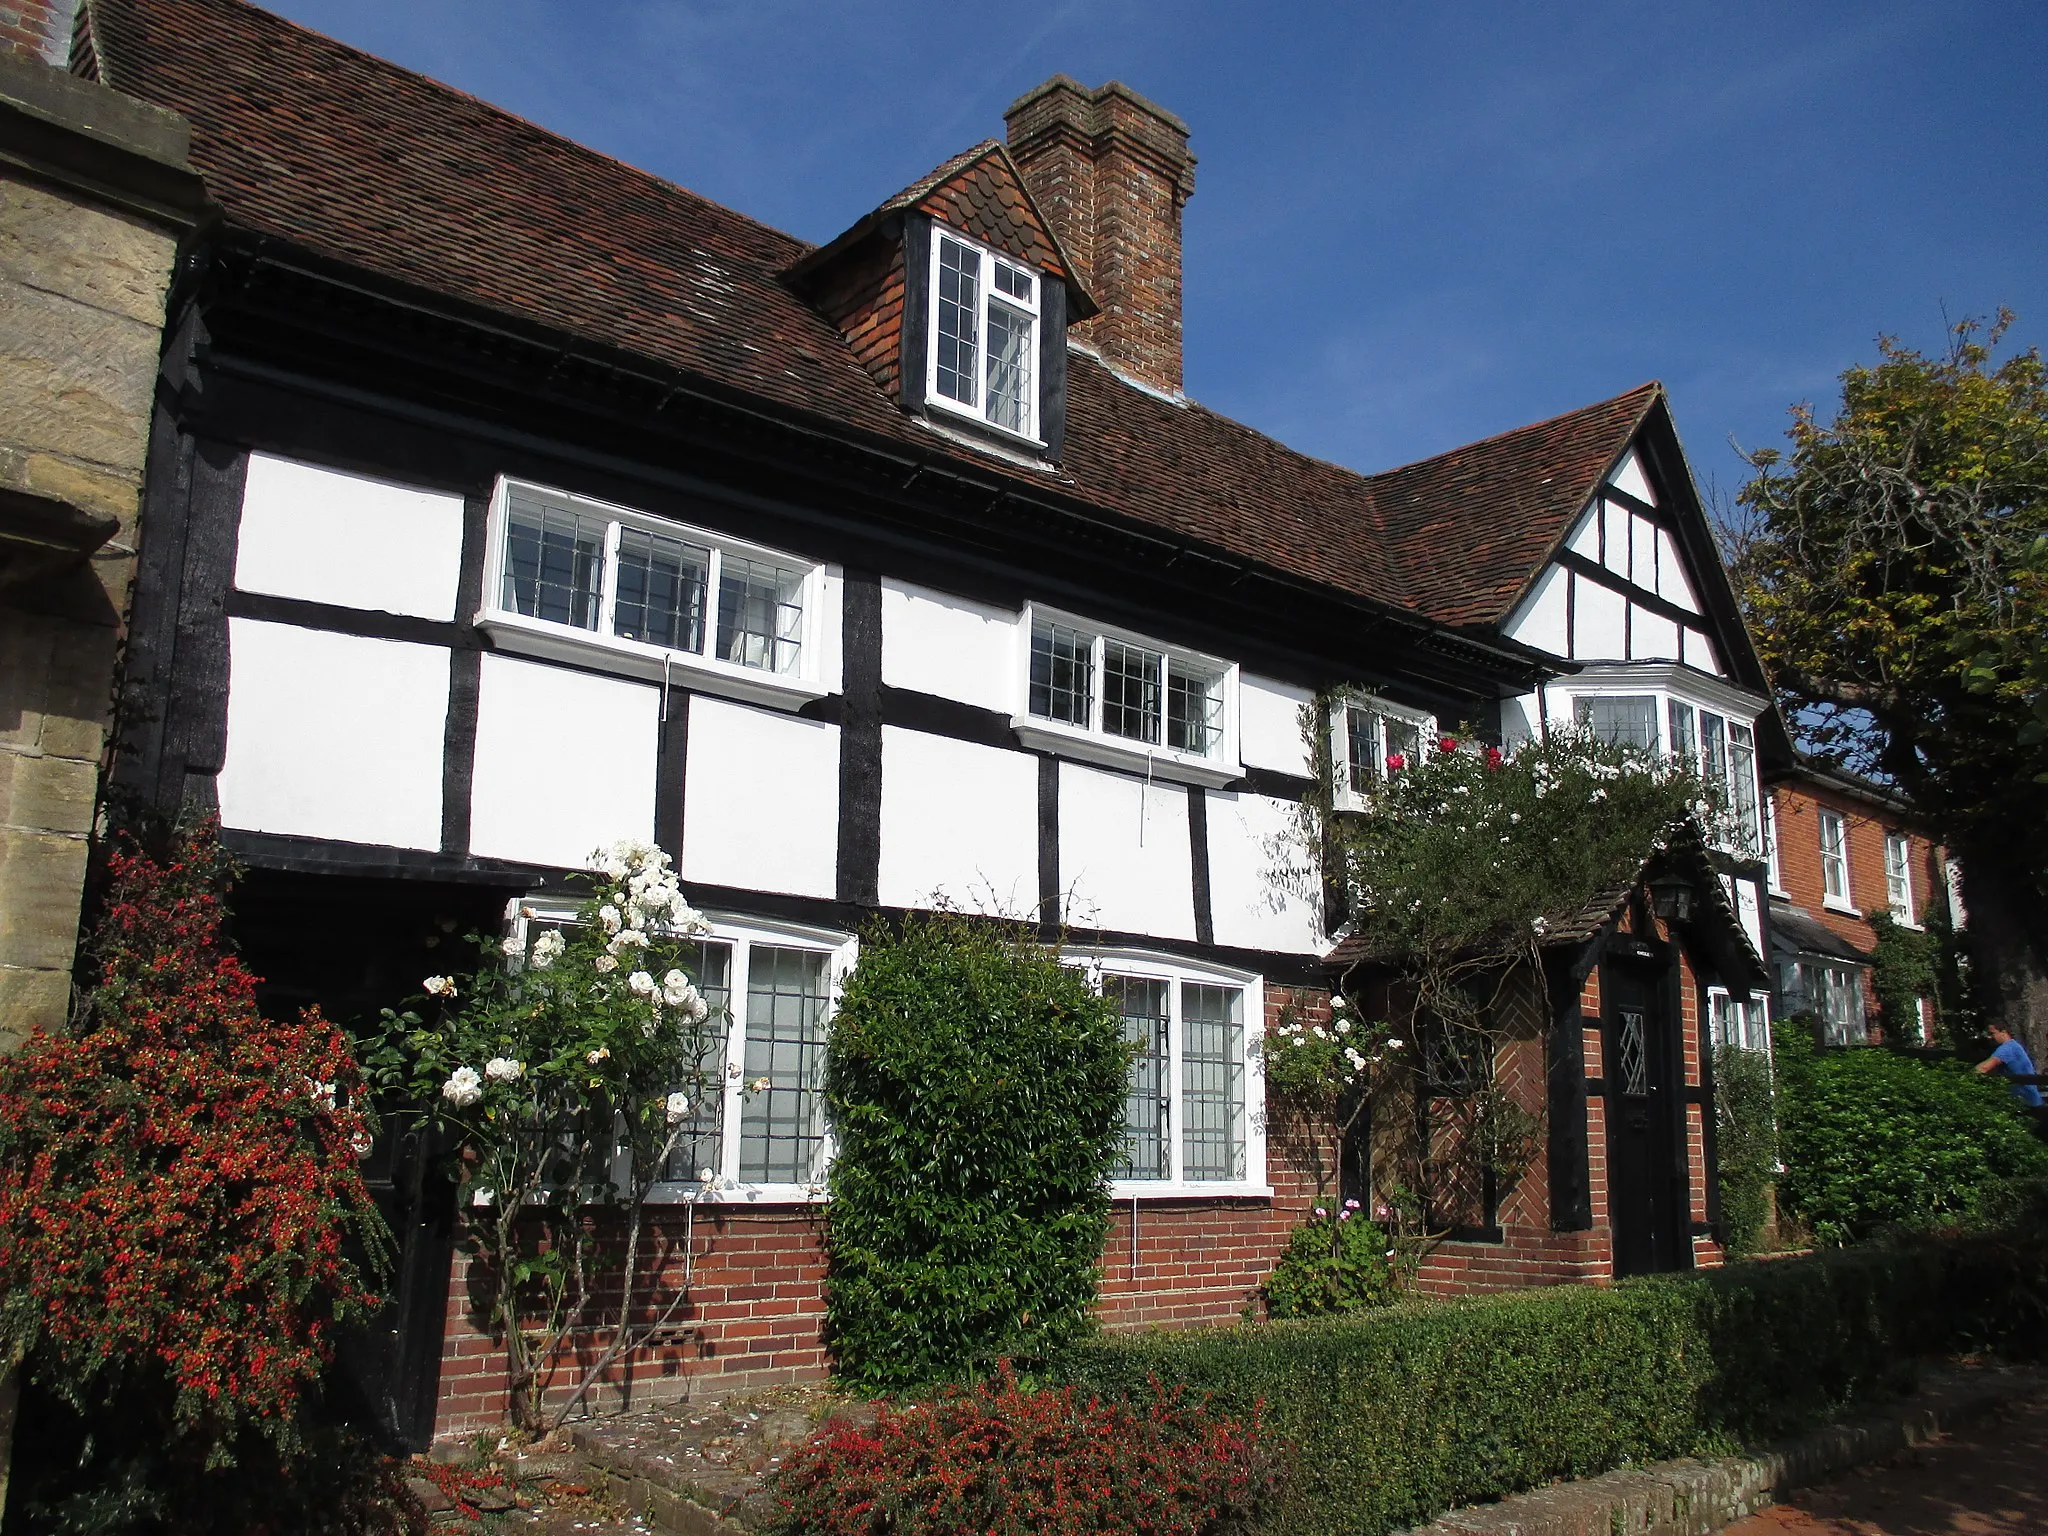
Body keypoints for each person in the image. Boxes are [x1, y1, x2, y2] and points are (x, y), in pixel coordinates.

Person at [1975, 1023, 2044, 1108]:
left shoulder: (2007, 1048)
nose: (1990, 1037)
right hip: (2026, 1101)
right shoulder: (2014, 1046)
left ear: (2003, 1032)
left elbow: (1984, 1067)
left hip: (2026, 1102)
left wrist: (1965, 1077)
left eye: (1992, 1033)